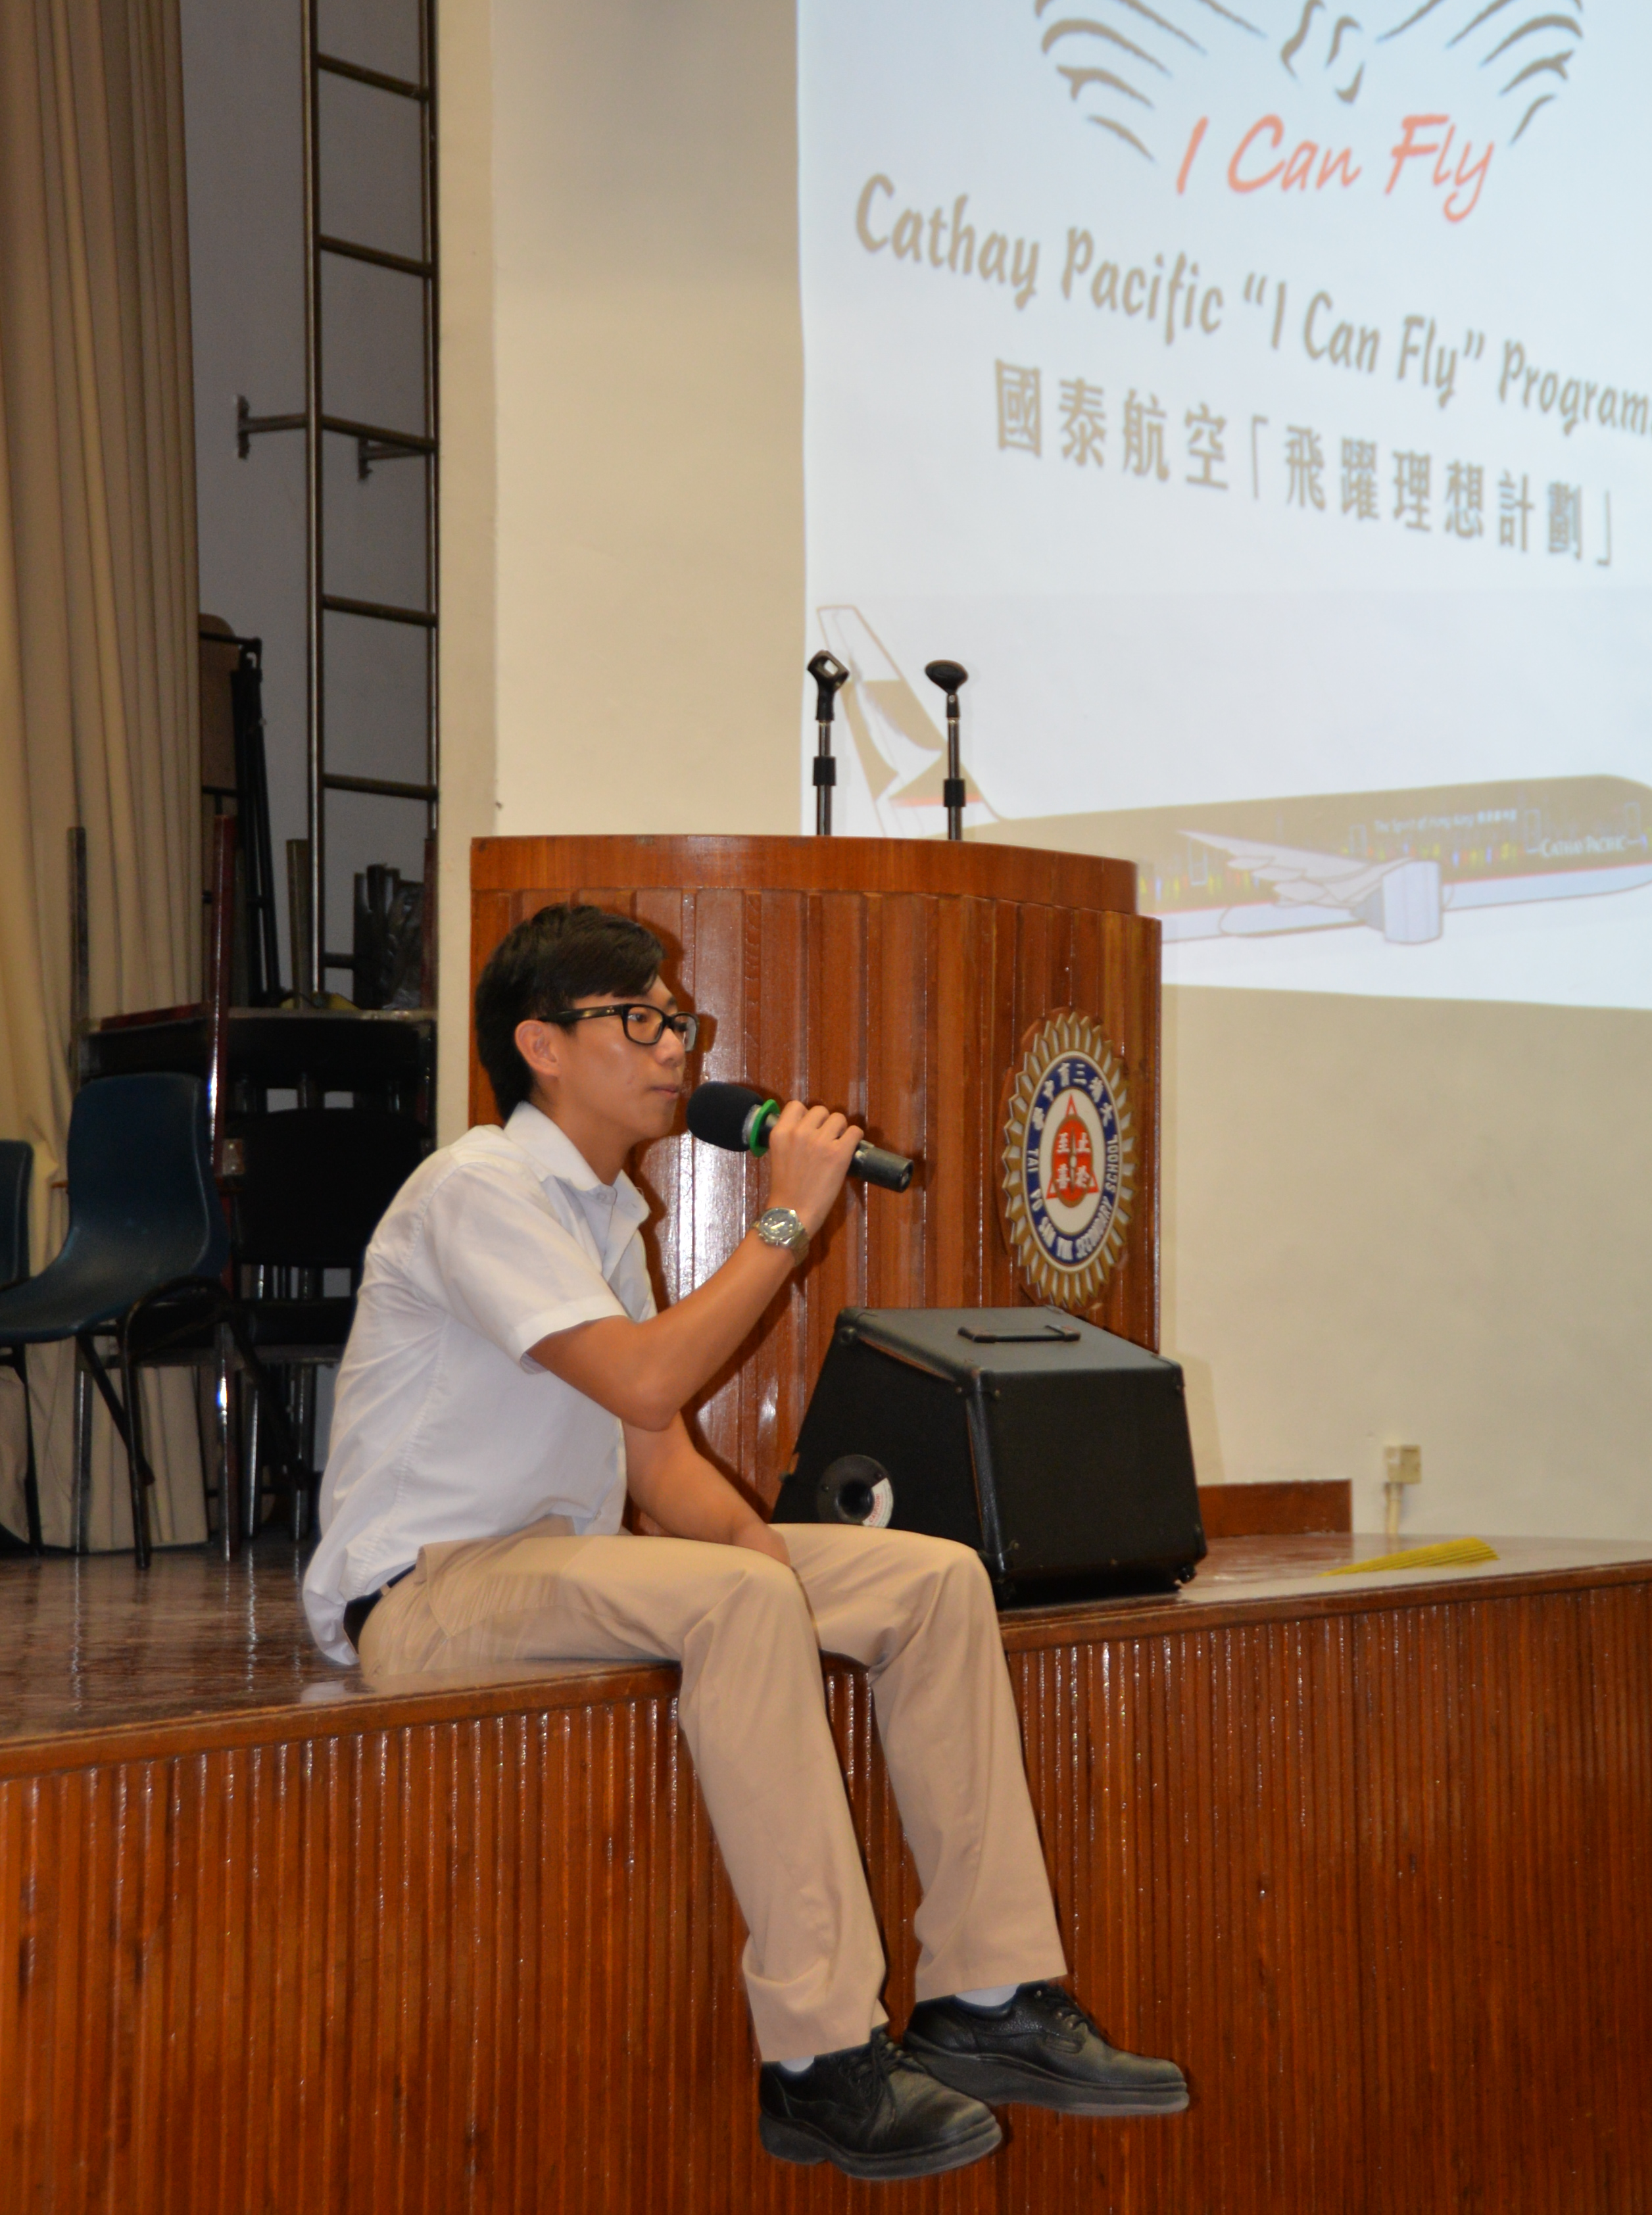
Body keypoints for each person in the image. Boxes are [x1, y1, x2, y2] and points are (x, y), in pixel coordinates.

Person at [304, 902, 1188, 2181]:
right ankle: (819, 2058)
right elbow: (644, 1380)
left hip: (566, 1566)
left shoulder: (602, 1215)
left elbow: (657, 1461)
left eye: (677, 1018)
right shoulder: (477, 1188)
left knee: (932, 1579)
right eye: (640, 1018)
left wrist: (756, 1553)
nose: (678, 1045)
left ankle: (988, 1995)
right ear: (540, 1046)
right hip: (431, 1590)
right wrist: (786, 1222)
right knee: (738, 1601)